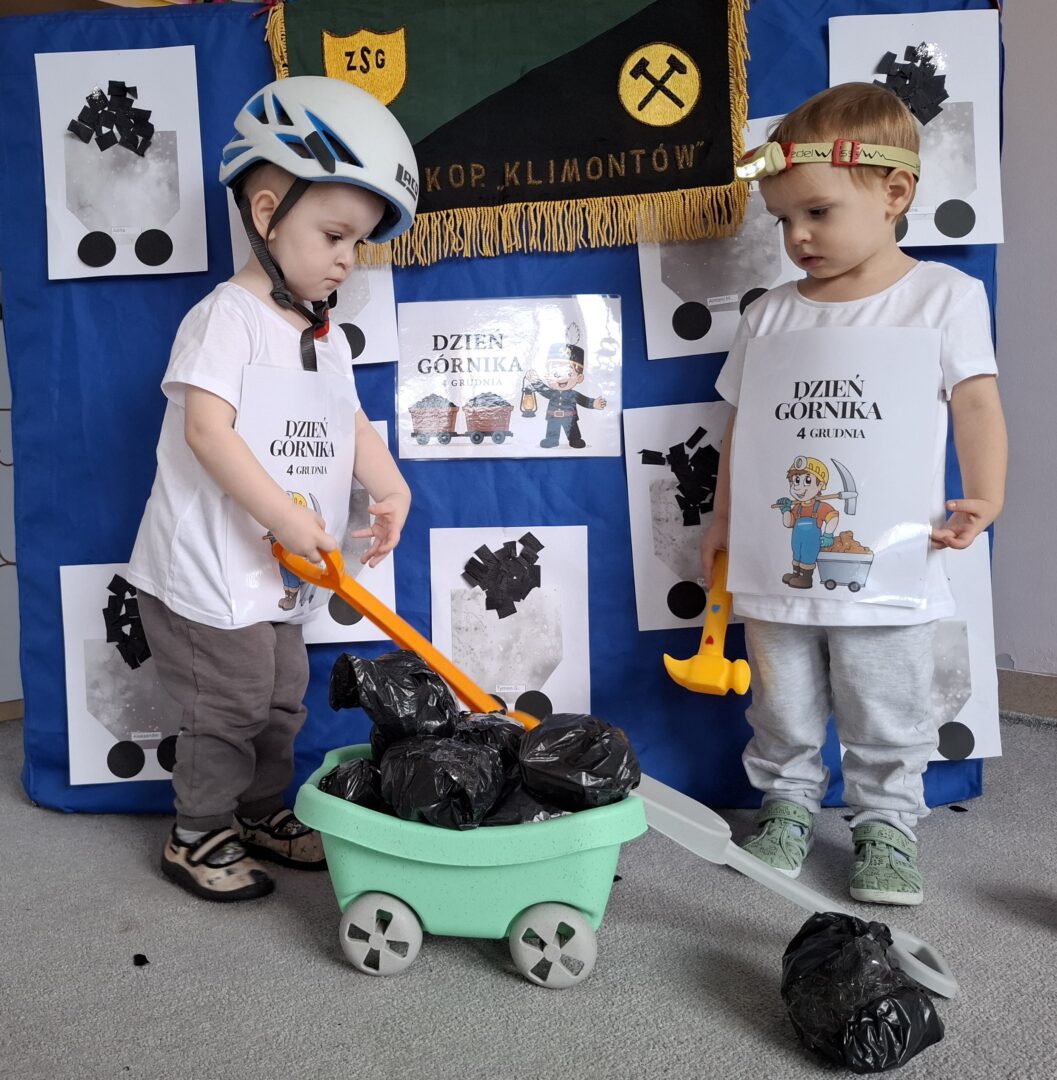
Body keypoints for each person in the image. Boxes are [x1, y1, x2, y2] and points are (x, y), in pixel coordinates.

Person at [701, 83, 1007, 905]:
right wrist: (725, 520)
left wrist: (984, 494)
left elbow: (976, 402)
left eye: (817, 213)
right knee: (781, 701)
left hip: (890, 564)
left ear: (894, 193)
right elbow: (744, 427)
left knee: (887, 701)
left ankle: (886, 823)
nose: (796, 236)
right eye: (781, 220)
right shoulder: (769, 315)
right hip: (778, 559)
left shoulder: (942, 297)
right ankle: (786, 804)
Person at [126, 76, 419, 902]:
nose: (347, 258)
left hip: (280, 568)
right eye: (334, 234)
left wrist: (389, 486)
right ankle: (197, 832)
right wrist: (285, 518)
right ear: (266, 214)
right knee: (226, 705)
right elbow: (206, 431)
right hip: (207, 568)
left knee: (280, 701)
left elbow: (346, 420)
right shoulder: (226, 317)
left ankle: (258, 813)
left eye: (359, 242)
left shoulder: (325, 338)